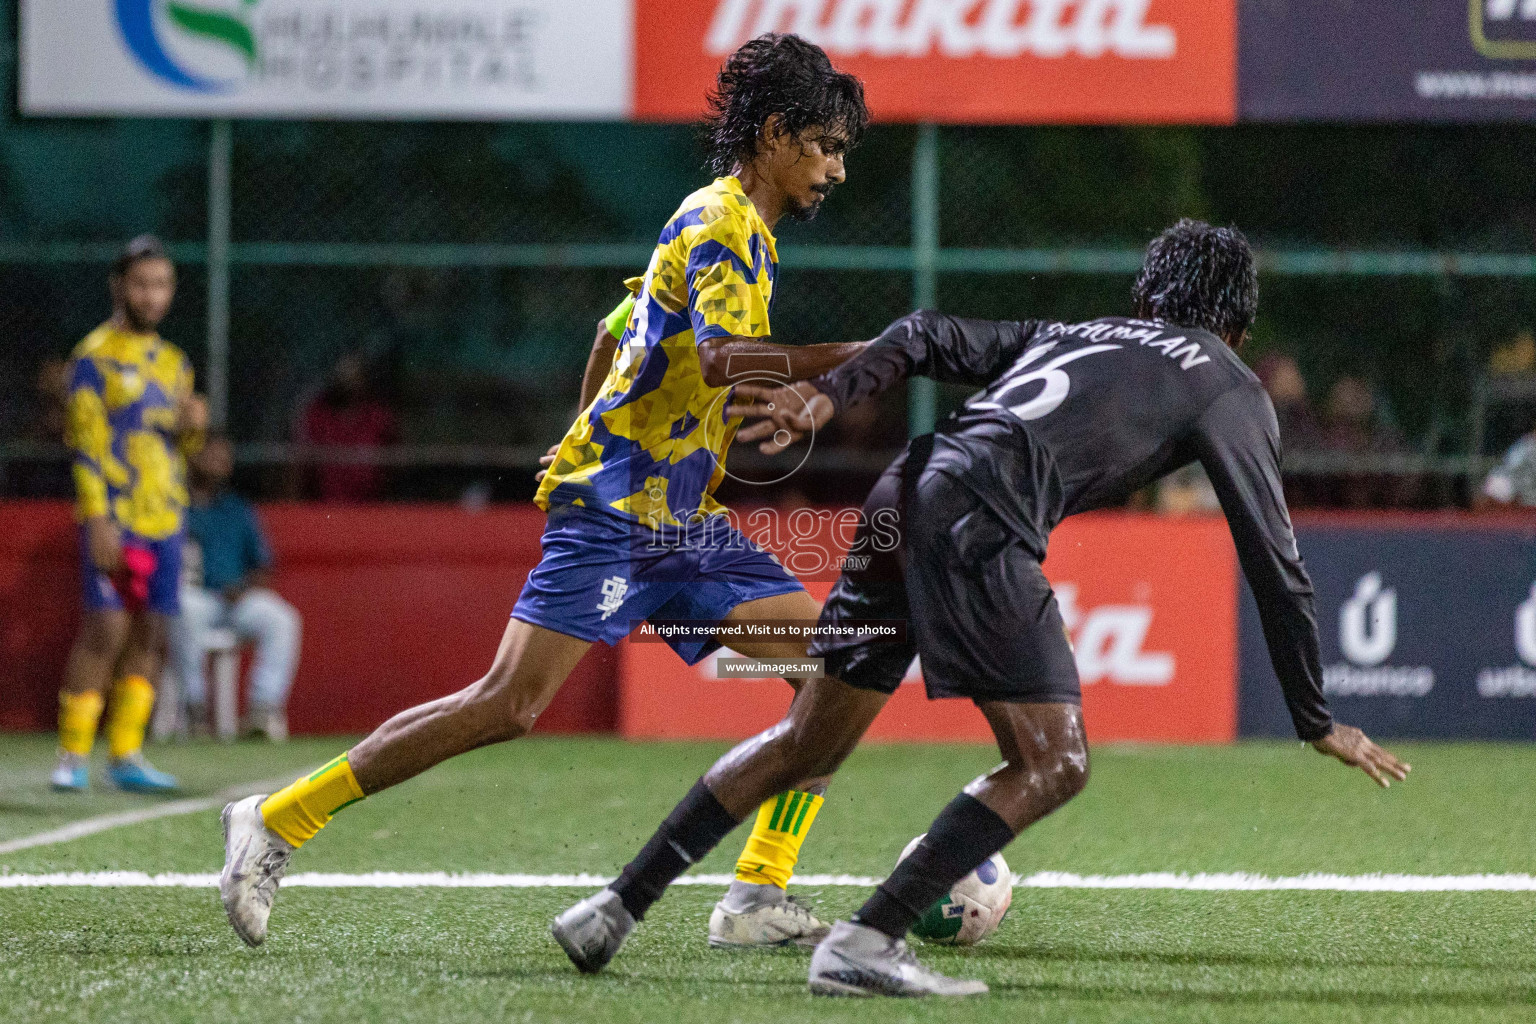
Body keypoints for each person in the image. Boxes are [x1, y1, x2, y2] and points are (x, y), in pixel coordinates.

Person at [551, 220, 1410, 996]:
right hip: (981, 520)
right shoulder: (1227, 381)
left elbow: (922, 332)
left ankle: (614, 908)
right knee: (1052, 761)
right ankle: (867, 940)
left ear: (1146, 299)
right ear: (1238, 326)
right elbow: (1275, 558)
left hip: (905, 492)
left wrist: (830, 395)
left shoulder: (1075, 332)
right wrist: (1314, 717)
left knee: (806, 736)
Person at [216, 33, 871, 952]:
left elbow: (616, 329)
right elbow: (724, 359)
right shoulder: (723, 223)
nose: (837, 169)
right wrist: (861, 359)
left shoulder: (731, 228)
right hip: (615, 519)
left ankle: (756, 894)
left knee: (836, 672)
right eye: (826, 146)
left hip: (682, 521)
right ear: (774, 134)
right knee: (507, 705)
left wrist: (581, 432)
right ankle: (278, 817)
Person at [51, 235, 207, 793]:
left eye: (161, 285)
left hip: (166, 517)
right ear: (119, 287)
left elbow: (182, 452)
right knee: (105, 630)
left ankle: (126, 753)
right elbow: (85, 446)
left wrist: (194, 427)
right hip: (116, 516)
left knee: (153, 633)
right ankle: (72, 755)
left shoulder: (174, 363)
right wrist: (96, 519)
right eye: (142, 284)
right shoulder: (94, 358)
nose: (152, 295)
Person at [170, 434, 302, 741]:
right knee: (184, 607)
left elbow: (263, 565)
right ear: (192, 458)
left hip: (236, 599)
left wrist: (243, 588)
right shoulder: (172, 505)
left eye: (224, 458)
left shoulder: (237, 509)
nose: (220, 464)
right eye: (212, 456)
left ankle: (262, 709)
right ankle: (194, 708)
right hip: (194, 597)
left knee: (282, 618)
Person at [297, 352, 398, 502]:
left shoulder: (378, 417)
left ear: (363, 380)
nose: (347, 383)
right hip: (325, 506)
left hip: (371, 507)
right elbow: (299, 464)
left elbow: (395, 463)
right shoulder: (318, 415)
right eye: (342, 376)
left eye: (353, 376)